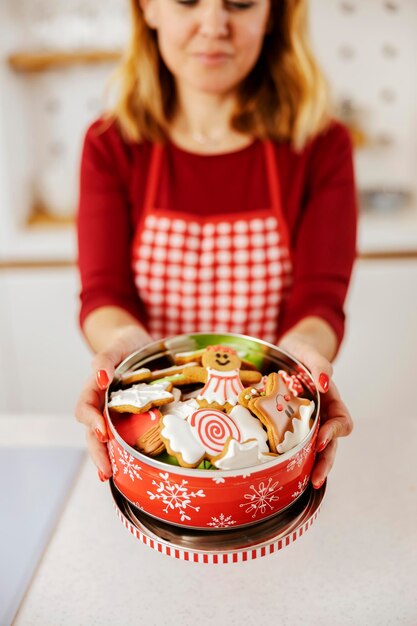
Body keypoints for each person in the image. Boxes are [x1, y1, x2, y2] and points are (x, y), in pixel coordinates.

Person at [75, 0, 355, 486]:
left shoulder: (319, 145)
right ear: (148, 8)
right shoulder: (111, 144)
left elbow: (320, 299)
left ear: (274, 15)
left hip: (265, 453)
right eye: (188, 0)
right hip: (157, 435)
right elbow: (104, 294)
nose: (213, 25)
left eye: (240, 2)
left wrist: (303, 357)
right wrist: (122, 350)